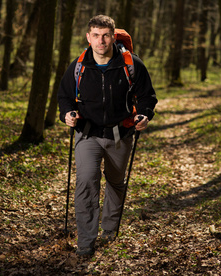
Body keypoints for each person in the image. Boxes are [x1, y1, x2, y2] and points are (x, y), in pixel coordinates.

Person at [58, 15, 157, 257]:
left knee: (115, 182)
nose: (100, 41)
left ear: (113, 36)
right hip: (87, 134)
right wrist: (67, 114)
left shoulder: (132, 65)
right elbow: (65, 97)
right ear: (88, 37)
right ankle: (86, 242)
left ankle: (109, 230)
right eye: (95, 35)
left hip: (120, 134)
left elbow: (147, 97)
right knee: (86, 182)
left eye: (105, 35)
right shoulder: (78, 66)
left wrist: (144, 115)